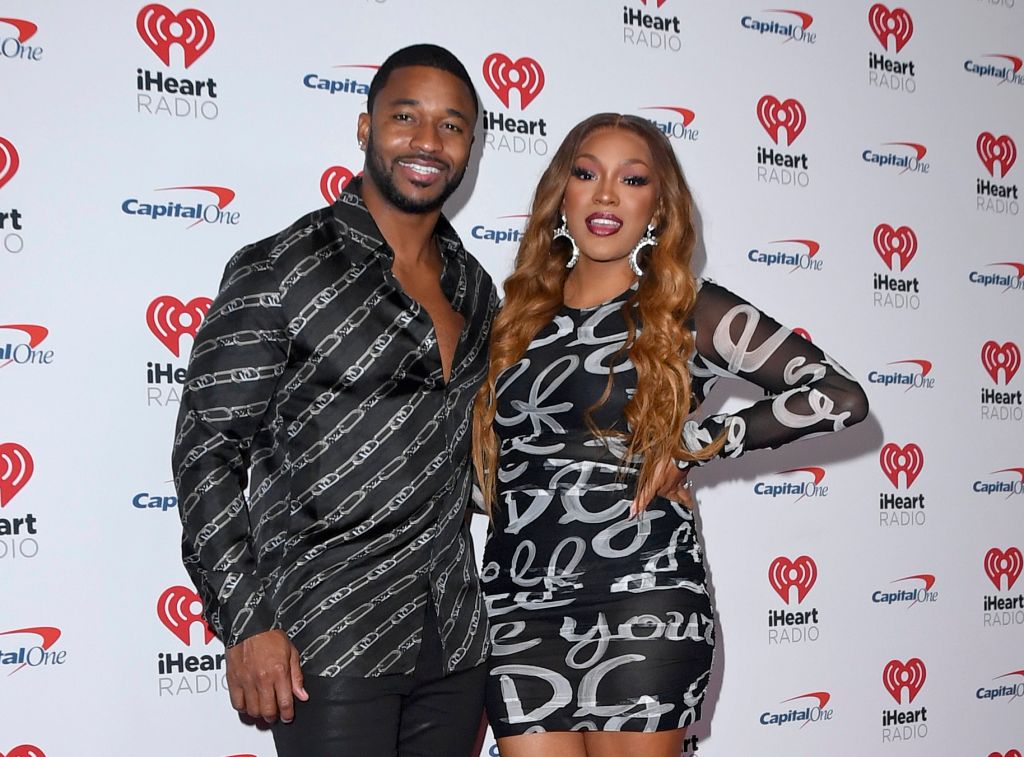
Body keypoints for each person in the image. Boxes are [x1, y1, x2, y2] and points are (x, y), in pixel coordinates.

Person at [471, 113, 869, 757]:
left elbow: (839, 397)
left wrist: (693, 444)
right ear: (560, 196)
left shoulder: (688, 309)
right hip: (517, 609)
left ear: (658, 207)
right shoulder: (512, 318)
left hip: (644, 602)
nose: (605, 194)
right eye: (585, 173)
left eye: (632, 179)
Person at [171, 44, 496, 757]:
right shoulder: (283, 268)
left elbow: (482, 452)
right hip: (328, 638)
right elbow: (207, 453)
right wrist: (248, 621)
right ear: (364, 126)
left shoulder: (476, 287)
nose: (427, 142)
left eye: (451, 126)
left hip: (455, 637)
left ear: (471, 145)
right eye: (405, 117)